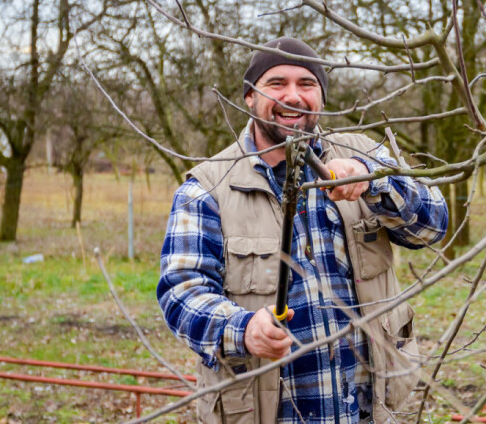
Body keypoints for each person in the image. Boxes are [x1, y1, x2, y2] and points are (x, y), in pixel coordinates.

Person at [157, 37, 449, 424]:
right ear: (249, 96)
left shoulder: (363, 155)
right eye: (277, 83)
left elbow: (433, 226)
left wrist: (377, 183)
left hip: (371, 411)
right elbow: (181, 291)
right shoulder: (207, 188)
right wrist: (241, 329)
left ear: (321, 97)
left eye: (306, 84)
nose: (293, 96)